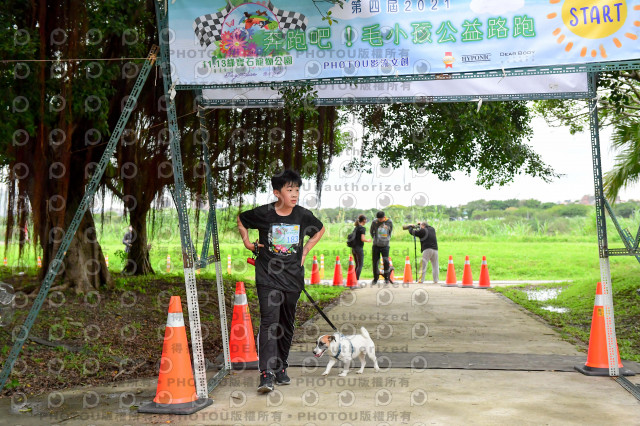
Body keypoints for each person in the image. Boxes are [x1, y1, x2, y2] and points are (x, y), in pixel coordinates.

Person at [237, 169, 325, 394]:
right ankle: (265, 373)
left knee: (286, 323)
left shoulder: (303, 215)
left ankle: (281, 367)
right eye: (289, 189)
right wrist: (248, 243)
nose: (294, 194)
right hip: (267, 276)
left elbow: (320, 229)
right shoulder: (265, 213)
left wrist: (305, 251)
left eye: (297, 189)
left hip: (293, 278)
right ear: (277, 192)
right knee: (269, 321)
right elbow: (241, 219)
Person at [370, 210, 393, 284]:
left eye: (381, 219)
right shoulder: (374, 222)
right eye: (378, 219)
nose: (379, 220)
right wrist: (375, 239)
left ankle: (386, 278)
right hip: (376, 245)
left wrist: (387, 239)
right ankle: (375, 279)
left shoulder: (389, 222)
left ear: (384, 217)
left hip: (385, 245)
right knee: (375, 262)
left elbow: (390, 232)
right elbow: (371, 231)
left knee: (386, 262)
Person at [351, 215, 371, 280]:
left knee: (357, 265)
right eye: (365, 220)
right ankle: (356, 280)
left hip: (353, 248)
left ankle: (353, 280)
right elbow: (362, 239)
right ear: (364, 220)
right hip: (359, 248)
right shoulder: (362, 228)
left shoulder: (356, 228)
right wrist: (368, 240)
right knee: (360, 265)